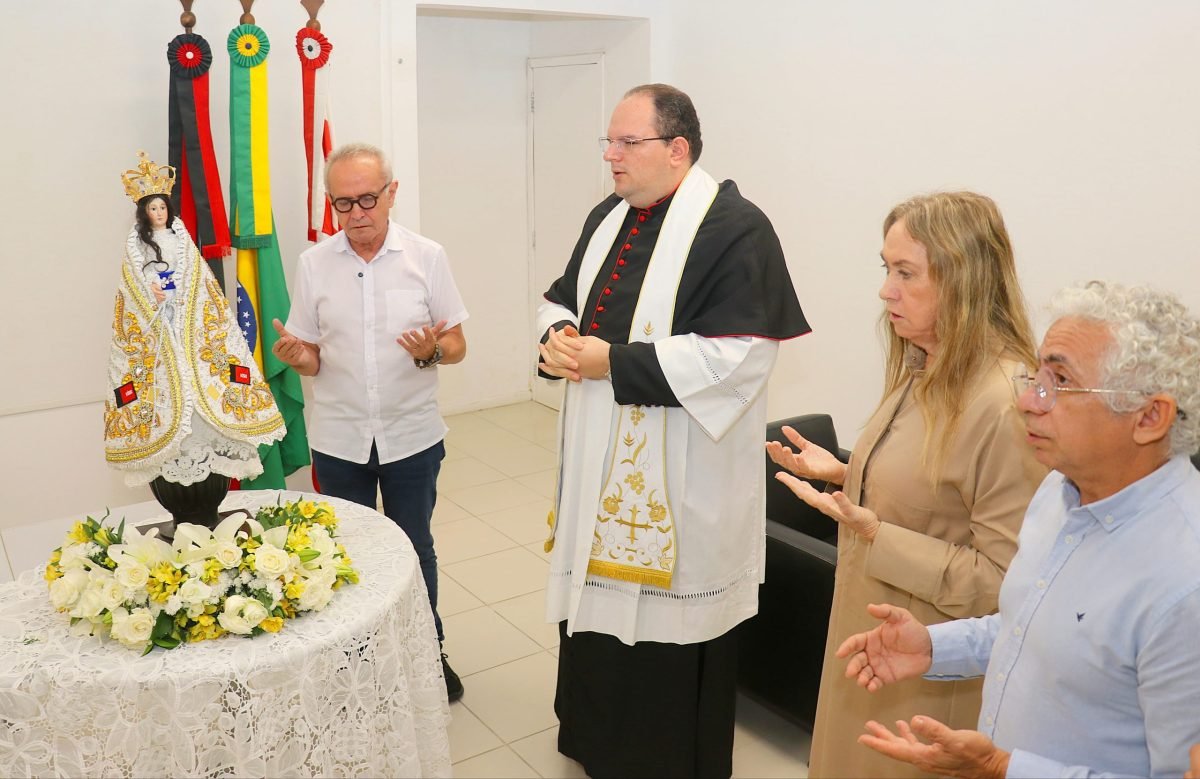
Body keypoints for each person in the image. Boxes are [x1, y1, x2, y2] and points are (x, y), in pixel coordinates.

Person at [536, 83, 810, 778]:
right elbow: (559, 298)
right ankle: (595, 741)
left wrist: (613, 363)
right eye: (610, 141)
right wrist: (560, 336)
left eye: (628, 143)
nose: (612, 156)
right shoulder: (609, 215)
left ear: (677, 149)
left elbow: (743, 352)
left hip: (684, 475)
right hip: (598, 456)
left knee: (664, 632)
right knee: (598, 612)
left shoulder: (735, 228)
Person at [837, 281, 1200, 778]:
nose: (1028, 401)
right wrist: (934, 646)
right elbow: (1027, 628)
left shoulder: (1185, 582)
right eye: (1036, 376)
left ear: (1149, 417)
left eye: (1060, 383)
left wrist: (1003, 767)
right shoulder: (1056, 492)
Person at [767, 192, 1047, 778]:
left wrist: (876, 532)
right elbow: (938, 491)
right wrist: (850, 473)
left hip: (926, 674)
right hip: (869, 639)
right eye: (886, 268)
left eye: (906, 272)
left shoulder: (1005, 403)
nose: (885, 289)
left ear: (962, 280)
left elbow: (1006, 586)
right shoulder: (927, 363)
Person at [271, 143, 469, 701]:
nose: (357, 214)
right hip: (339, 439)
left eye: (367, 199)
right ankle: (356, 655)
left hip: (411, 435)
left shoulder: (426, 257)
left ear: (392, 193)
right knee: (347, 553)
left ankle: (428, 648)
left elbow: (456, 343)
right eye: (342, 204)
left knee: (413, 547)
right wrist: (296, 356)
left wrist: (432, 350)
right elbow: (312, 355)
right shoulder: (314, 264)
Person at [105, 151, 285, 488]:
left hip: (186, 316)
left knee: (200, 370)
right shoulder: (138, 244)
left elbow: (198, 278)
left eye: (162, 208)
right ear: (144, 214)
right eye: (152, 209)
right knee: (164, 374)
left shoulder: (180, 239)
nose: (158, 214)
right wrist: (152, 292)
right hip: (158, 318)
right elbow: (132, 283)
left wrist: (180, 293)